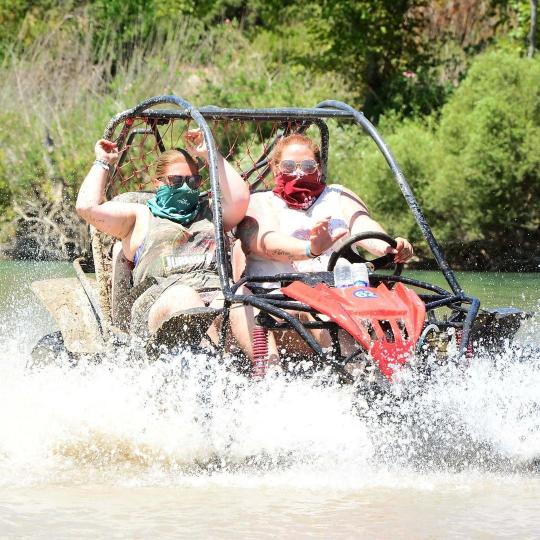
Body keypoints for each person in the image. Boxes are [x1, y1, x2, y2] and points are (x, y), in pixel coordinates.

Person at [230, 133, 413, 361]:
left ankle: (379, 372)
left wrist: (388, 247)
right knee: (303, 310)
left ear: (318, 167)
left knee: (396, 305)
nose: (299, 173)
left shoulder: (338, 196)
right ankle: (276, 370)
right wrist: (310, 248)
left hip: (341, 294)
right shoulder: (259, 202)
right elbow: (263, 241)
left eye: (308, 166)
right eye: (289, 166)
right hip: (276, 299)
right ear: (275, 168)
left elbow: (362, 224)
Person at [76, 128, 249, 345]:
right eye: (176, 181)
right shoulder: (138, 216)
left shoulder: (211, 211)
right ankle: (213, 365)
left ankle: (267, 370)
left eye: (193, 181)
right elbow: (86, 207)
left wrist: (210, 153)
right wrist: (102, 162)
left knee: (239, 302)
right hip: (159, 303)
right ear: (157, 182)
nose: (185, 187)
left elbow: (241, 199)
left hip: (214, 295)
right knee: (185, 297)